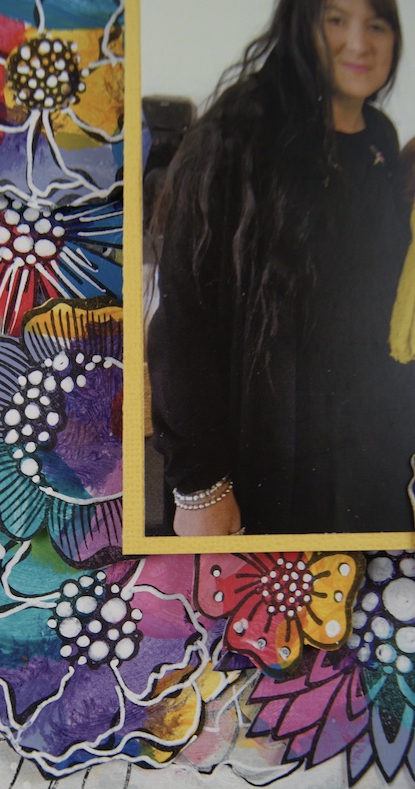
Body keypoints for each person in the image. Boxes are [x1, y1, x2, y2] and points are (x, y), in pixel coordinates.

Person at [148, 0, 413, 537]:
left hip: (366, 457)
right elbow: (183, 319)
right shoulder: (234, 138)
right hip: (264, 456)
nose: (359, 43)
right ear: (299, 26)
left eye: (377, 25)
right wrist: (201, 487)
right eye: (335, 20)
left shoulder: (381, 141)